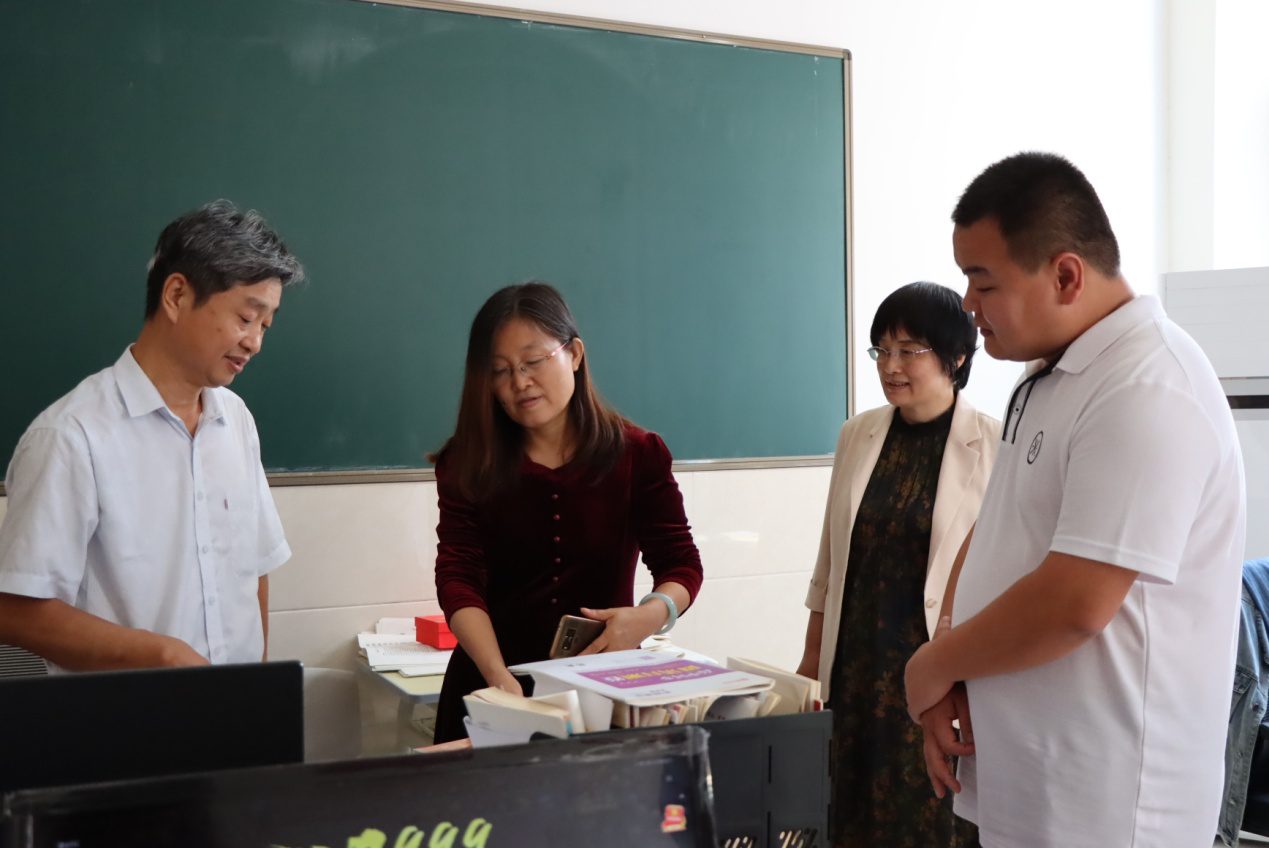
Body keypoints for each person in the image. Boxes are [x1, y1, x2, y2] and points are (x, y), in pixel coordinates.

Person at [905, 152, 1245, 847]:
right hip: (1033, 782)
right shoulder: (1049, 373)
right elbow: (1000, 525)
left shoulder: (1147, 387)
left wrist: (931, 666)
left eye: (982, 281)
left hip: (1111, 807)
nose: (966, 303)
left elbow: (1075, 603)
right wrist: (952, 656)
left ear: (1064, 275)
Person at [0, 201, 303, 671]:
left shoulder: (236, 420)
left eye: (266, 325)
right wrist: (160, 655)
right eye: (246, 318)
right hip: (129, 712)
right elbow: (16, 612)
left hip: (234, 706)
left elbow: (255, 568)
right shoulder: (71, 435)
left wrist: (253, 687)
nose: (255, 342)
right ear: (177, 295)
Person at [431, 281, 704, 743]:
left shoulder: (637, 454)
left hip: (603, 686)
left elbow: (681, 563)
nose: (520, 382)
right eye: (500, 370)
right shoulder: (468, 462)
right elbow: (458, 577)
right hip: (492, 687)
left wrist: (649, 616)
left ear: (574, 354)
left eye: (533, 361)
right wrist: (498, 677)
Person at [797, 281, 999, 847]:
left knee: (927, 820)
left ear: (956, 357)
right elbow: (830, 561)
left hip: (931, 675)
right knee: (846, 812)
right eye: (882, 350)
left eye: (910, 350)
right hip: (855, 667)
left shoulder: (994, 445)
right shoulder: (857, 434)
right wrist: (810, 663)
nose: (891, 366)